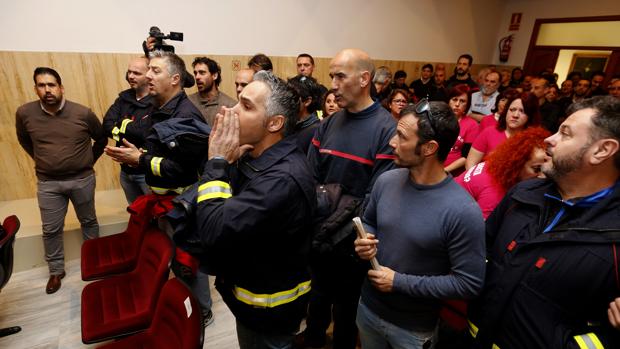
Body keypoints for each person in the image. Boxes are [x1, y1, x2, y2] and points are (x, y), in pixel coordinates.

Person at [468, 96, 620, 349]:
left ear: (602, 151)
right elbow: (482, 249)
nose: (550, 139)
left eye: (565, 134)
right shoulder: (522, 193)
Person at [178, 70, 316, 349]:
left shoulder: (281, 179)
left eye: (247, 106)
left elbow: (214, 230)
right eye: (239, 100)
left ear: (274, 123)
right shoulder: (253, 155)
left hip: (270, 316)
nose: (232, 110)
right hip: (250, 302)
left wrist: (217, 162)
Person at [353, 101, 485, 349]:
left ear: (429, 148)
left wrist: (399, 282)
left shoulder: (462, 211)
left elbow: (469, 282)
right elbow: (370, 220)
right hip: (368, 308)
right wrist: (365, 239)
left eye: (401, 136)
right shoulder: (386, 180)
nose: (392, 142)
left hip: (412, 329)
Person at [104, 50, 214, 325]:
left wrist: (140, 159)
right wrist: (140, 152)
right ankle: (180, 302)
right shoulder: (158, 107)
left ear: (175, 79)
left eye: (155, 71)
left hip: (182, 205)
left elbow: (180, 169)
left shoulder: (186, 115)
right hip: (163, 202)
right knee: (174, 258)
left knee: (189, 260)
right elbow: (161, 151)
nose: (148, 76)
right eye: (148, 70)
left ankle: (202, 312)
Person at [301, 48, 397, 349]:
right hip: (319, 235)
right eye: (331, 76)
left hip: (351, 243)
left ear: (364, 78)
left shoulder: (385, 129)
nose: (333, 84)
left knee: (345, 313)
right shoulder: (329, 123)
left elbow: (376, 195)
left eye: (340, 76)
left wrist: (342, 231)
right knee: (316, 302)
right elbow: (309, 176)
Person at [15, 67, 106, 294]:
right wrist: (43, 160)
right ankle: (56, 271)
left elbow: (102, 138)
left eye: (51, 85)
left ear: (61, 88)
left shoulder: (82, 113)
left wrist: (87, 161)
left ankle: (92, 263)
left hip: (82, 179)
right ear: (36, 89)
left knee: (89, 221)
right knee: (51, 229)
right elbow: (25, 140)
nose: (47, 90)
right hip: (48, 183)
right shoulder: (25, 113)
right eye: (42, 85)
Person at [455, 127, 550, 219]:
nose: (542, 176)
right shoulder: (494, 194)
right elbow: (478, 230)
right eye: (537, 169)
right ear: (517, 165)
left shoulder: (495, 166)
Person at [102, 56, 153, 204]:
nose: (130, 76)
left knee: (156, 217)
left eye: (136, 73)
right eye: (129, 72)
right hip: (125, 172)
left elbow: (146, 134)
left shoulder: (156, 101)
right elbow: (106, 125)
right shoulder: (123, 98)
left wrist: (120, 124)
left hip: (146, 173)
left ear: (149, 75)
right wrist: (124, 131)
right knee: (136, 214)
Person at [466, 92, 540, 169]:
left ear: (530, 116)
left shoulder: (532, 141)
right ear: (506, 111)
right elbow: (470, 164)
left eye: (522, 111)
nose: (515, 115)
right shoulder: (489, 132)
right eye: (512, 110)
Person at [188, 56, 236, 126]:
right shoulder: (189, 102)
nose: (197, 77)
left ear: (214, 76)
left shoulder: (230, 106)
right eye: (195, 73)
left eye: (202, 73)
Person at [444, 85, 478, 176]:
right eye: (454, 99)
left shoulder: (472, 125)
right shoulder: (439, 119)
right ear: (448, 101)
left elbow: (466, 157)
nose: (457, 104)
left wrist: (443, 171)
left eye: (462, 101)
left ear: (467, 105)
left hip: (453, 173)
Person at [288, 74, 323, 153]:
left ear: (307, 101)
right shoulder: (288, 124)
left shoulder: (316, 132)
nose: (287, 100)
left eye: (293, 96)